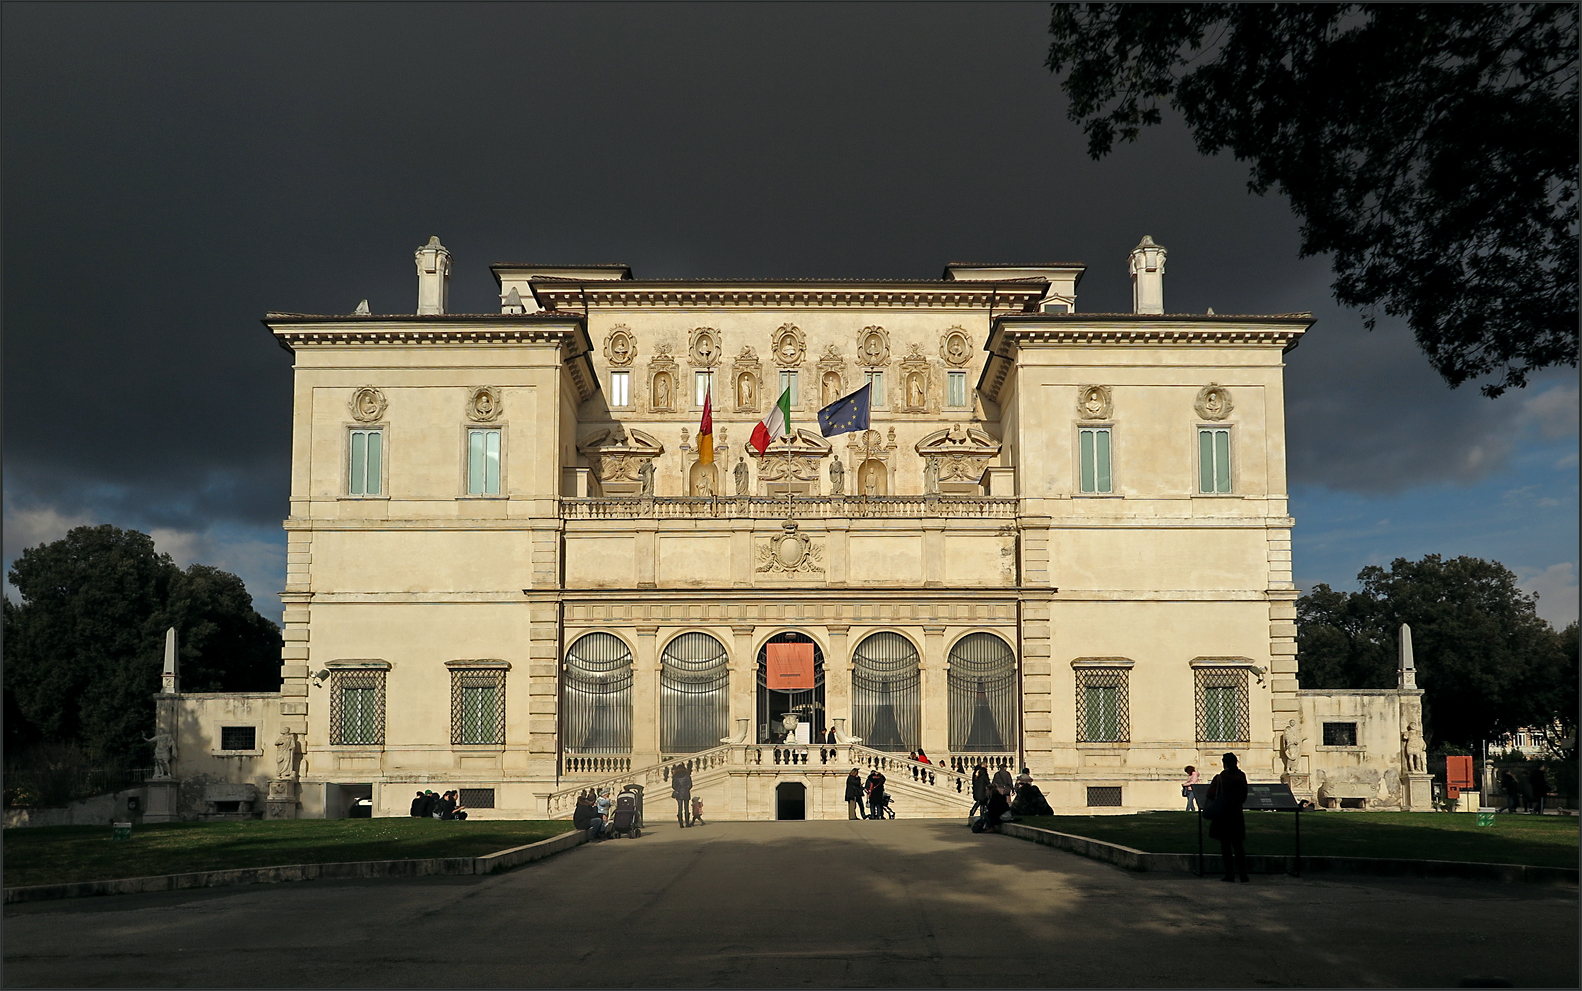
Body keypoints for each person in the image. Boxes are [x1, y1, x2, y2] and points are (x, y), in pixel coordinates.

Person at [1206, 753, 1249, 882]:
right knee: (1238, 845)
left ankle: (1229, 873)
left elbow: (1211, 793)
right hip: (1236, 813)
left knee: (1225, 845)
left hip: (1223, 814)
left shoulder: (1221, 777)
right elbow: (1244, 795)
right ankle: (1243, 873)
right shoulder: (1241, 776)